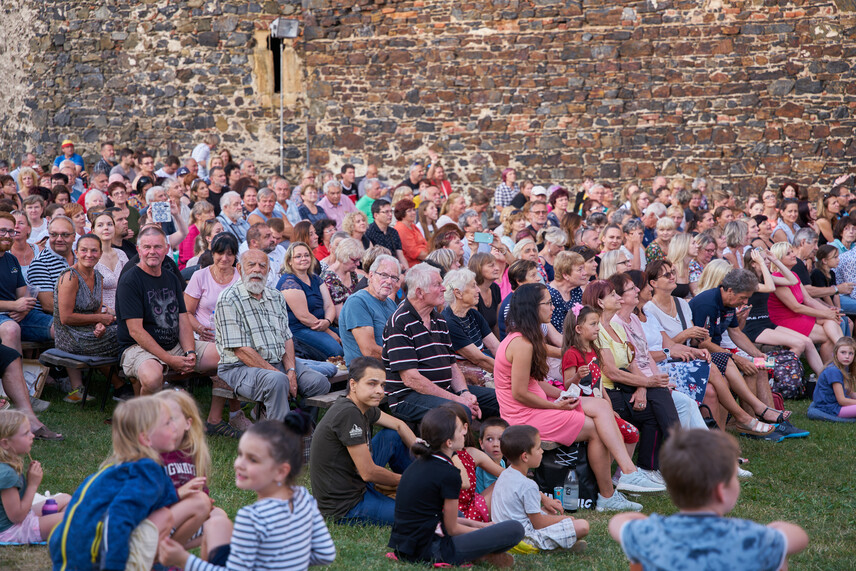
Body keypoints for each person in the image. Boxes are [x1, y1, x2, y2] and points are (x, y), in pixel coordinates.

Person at [498, 283, 664, 502]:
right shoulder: (521, 343)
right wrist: (554, 405)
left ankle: (628, 472)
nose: (553, 308)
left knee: (602, 406)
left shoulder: (527, 338)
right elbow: (519, 393)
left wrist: (560, 396)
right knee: (596, 428)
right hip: (523, 414)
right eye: (548, 303)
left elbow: (535, 385)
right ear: (531, 307)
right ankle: (609, 494)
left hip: (537, 404)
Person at [609, 429, 808, 570]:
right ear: (721, 491)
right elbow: (799, 538)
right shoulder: (752, 537)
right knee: (778, 561)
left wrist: (645, 522)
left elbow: (618, 522)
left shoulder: (649, 534)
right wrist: (774, 528)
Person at [50, 397, 212, 570]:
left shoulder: (119, 468)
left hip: (72, 558)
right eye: (167, 423)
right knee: (164, 516)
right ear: (145, 438)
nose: (174, 427)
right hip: (97, 560)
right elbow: (118, 519)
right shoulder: (146, 470)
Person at [160, 413, 336, 570]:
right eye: (240, 454)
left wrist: (183, 559)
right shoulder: (304, 499)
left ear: (281, 471)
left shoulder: (252, 517)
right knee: (216, 524)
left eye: (252, 459)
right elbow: (326, 553)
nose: (239, 464)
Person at [387, 407, 525, 567]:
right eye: (461, 430)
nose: (465, 434)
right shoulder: (450, 473)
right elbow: (451, 528)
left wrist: (481, 525)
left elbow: (434, 517)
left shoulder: (419, 464)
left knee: (472, 520)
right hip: (432, 550)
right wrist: (485, 533)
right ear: (449, 442)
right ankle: (479, 553)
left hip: (405, 547)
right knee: (515, 529)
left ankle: (481, 552)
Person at [215, 249, 330, 421]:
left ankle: (302, 430)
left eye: (262, 266)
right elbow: (241, 350)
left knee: (319, 383)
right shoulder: (228, 299)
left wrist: (291, 371)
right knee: (277, 381)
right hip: (240, 367)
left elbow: (287, 338)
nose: (257, 270)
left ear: (269, 271)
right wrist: (281, 375)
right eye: (251, 265)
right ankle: (279, 439)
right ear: (239, 268)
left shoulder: (275, 296)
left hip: (277, 362)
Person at [382, 263, 499, 423]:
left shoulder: (438, 319)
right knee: (460, 409)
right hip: (409, 397)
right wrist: (457, 399)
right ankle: (459, 448)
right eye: (437, 284)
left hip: (444, 390)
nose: (444, 288)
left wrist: (464, 392)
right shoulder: (400, 322)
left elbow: (452, 365)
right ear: (420, 292)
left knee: (499, 399)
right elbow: (411, 379)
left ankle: (501, 444)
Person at [310, 357, 418, 525]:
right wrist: (409, 479)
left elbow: (399, 425)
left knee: (392, 435)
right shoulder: (348, 413)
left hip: (356, 481)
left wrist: (425, 457)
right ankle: (417, 485)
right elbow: (368, 473)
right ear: (353, 385)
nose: (380, 391)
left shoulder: (361, 406)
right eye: (372, 384)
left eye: (382, 385)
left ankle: (421, 483)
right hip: (345, 506)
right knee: (418, 512)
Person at [116, 226, 219, 395]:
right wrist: (170, 360)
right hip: (138, 348)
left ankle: (225, 415)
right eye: (147, 247)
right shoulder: (130, 280)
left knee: (225, 357)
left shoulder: (170, 277)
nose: (152, 252)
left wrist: (190, 352)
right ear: (138, 250)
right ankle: (144, 419)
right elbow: (135, 331)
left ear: (166, 249)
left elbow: (183, 318)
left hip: (175, 345)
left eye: (157, 247)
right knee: (152, 377)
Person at [183, 233, 249, 435]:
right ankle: (226, 416)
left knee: (236, 352)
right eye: (220, 253)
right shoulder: (200, 276)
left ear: (235, 256)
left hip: (232, 335)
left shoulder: (241, 277)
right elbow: (186, 313)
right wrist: (199, 329)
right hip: (202, 335)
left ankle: (230, 415)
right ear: (212, 253)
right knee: (230, 356)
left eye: (230, 254)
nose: (224, 258)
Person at [154, 390, 233, 551]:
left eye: (172, 419)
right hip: (152, 521)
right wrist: (179, 495)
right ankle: (162, 557)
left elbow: (201, 489)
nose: (166, 425)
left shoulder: (193, 454)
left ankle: (173, 556)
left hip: (182, 519)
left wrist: (204, 498)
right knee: (200, 504)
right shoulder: (151, 454)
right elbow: (143, 500)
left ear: (188, 423)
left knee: (220, 520)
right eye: (159, 420)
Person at [491, 425, 589, 551]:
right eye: (538, 448)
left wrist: (544, 502)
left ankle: (561, 543)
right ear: (525, 457)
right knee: (582, 526)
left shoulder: (505, 474)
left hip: (503, 534)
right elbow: (538, 524)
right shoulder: (529, 485)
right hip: (525, 539)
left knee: (547, 512)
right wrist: (564, 519)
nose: (542, 451)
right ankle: (557, 546)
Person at [54, 233, 124, 402]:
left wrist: (100, 324)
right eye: (84, 250)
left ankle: (123, 385)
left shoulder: (98, 277)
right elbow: (66, 318)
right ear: (76, 252)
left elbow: (97, 311)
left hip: (89, 331)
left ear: (100, 254)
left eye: (94, 251)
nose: (89, 255)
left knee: (123, 332)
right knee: (123, 336)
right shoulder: (70, 277)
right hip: (70, 336)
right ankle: (122, 385)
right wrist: (98, 319)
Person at [0, 410, 70, 544]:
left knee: (66, 498)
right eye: (26, 433)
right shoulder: (7, 474)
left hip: (20, 520)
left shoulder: (7, 464)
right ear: (5, 443)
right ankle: (62, 527)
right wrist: (32, 485)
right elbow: (17, 516)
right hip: (12, 531)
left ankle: (57, 525)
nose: (32, 435)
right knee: (77, 516)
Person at [277, 241, 342, 360]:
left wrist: (327, 321)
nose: (303, 259)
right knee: (336, 350)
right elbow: (304, 317)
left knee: (351, 340)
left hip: (322, 324)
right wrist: (329, 332)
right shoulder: (289, 282)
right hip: (299, 329)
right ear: (289, 261)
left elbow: (329, 305)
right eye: (298, 256)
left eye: (306, 255)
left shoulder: (315, 278)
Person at [340, 255, 400, 365]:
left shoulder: (391, 303)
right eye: (384, 275)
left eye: (394, 278)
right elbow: (369, 351)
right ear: (371, 275)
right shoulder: (357, 302)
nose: (389, 281)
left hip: (391, 367)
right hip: (368, 372)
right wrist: (404, 357)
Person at [442, 268, 501, 376]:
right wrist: (510, 372)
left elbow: (496, 347)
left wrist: (513, 365)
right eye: (473, 286)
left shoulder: (473, 314)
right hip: (467, 379)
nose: (478, 290)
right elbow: (479, 359)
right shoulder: (449, 322)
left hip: (482, 373)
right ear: (458, 293)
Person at [812, 337, 856, 420]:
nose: (847, 356)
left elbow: (849, 393)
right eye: (843, 352)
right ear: (835, 353)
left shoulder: (843, 367)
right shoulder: (834, 371)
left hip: (834, 405)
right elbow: (842, 400)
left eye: (851, 353)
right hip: (831, 408)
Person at [366, 199, 408, 270]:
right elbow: (371, 259)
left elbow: (400, 255)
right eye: (386, 212)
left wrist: (407, 270)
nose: (390, 215)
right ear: (376, 215)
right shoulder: (368, 231)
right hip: (378, 268)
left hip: (394, 266)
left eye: (391, 211)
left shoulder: (393, 232)